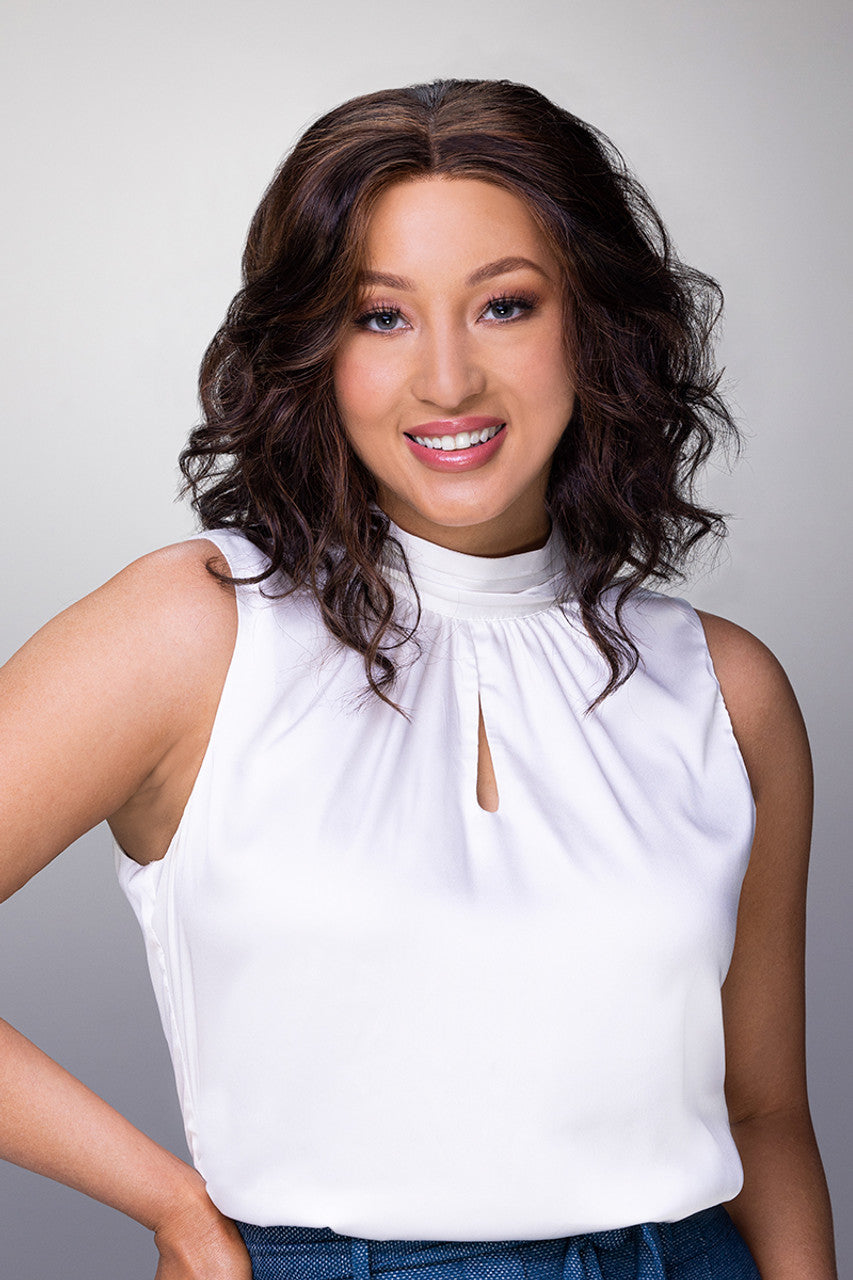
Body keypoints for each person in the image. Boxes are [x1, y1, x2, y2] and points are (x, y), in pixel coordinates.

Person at [0, 77, 838, 1280]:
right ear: (313, 348)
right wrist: (170, 1203)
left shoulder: (726, 689)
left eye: (504, 305)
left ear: (593, 324)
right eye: (381, 316)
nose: (446, 380)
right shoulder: (194, 631)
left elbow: (763, 1114)